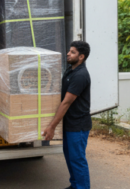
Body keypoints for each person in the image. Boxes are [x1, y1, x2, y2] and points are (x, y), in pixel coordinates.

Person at [45, 40, 92, 189]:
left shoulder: (80, 75)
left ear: (81, 57)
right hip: (69, 123)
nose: (68, 53)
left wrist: (52, 126)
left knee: (77, 159)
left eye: (72, 52)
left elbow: (66, 102)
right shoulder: (70, 71)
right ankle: (75, 185)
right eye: (69, 51)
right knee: (70, 158)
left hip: (78, 125)